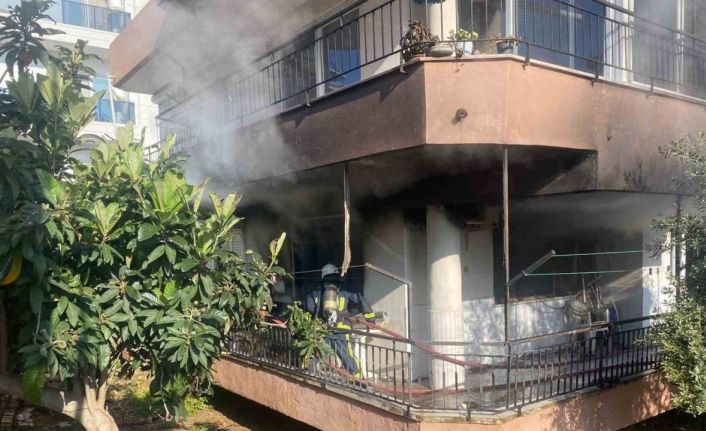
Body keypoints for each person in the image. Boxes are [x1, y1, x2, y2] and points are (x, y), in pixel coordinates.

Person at [305, 264, 376, 377]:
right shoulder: (345, 288)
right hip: (341, 329)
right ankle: (358, 379)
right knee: (347, 355)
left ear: (323, 275)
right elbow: (361, 302)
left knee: (317, 352)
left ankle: (311, 374)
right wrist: (370, 320)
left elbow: (310, 308)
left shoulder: (315, 290)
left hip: (323, 329)